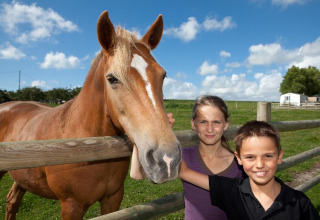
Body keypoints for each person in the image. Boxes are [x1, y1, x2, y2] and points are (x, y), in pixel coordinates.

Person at [179, 120, 320, 220]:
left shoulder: (300, 203)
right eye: (250, 157)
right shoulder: (230, 191)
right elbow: (184, 172)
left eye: (268, 156)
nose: (259, 164)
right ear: (238, 158)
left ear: (279, 156)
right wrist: (162, 129)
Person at [181, 95, 245, 220]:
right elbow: (138, 174)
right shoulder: (184, 156)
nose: (209, 129)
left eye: (216, 122)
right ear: (193, 124)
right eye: (203, 121)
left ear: (225, 124)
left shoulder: (238, 163)